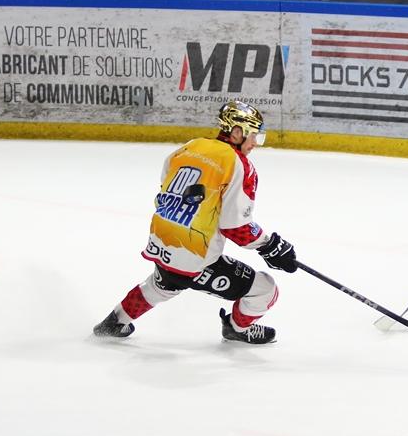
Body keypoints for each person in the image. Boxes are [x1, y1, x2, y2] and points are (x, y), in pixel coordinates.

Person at [92, 100, 299, 345]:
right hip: (195, 259)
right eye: (253, 135)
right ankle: (237, 329)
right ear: (236, 132)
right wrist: (271, 246)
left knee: (162, 285)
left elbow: (167, 185)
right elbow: (236, 228)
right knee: (265, 289)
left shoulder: (190, 147)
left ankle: (113, 323)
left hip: (162, 244)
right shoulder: (239, 165)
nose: (255, 143)